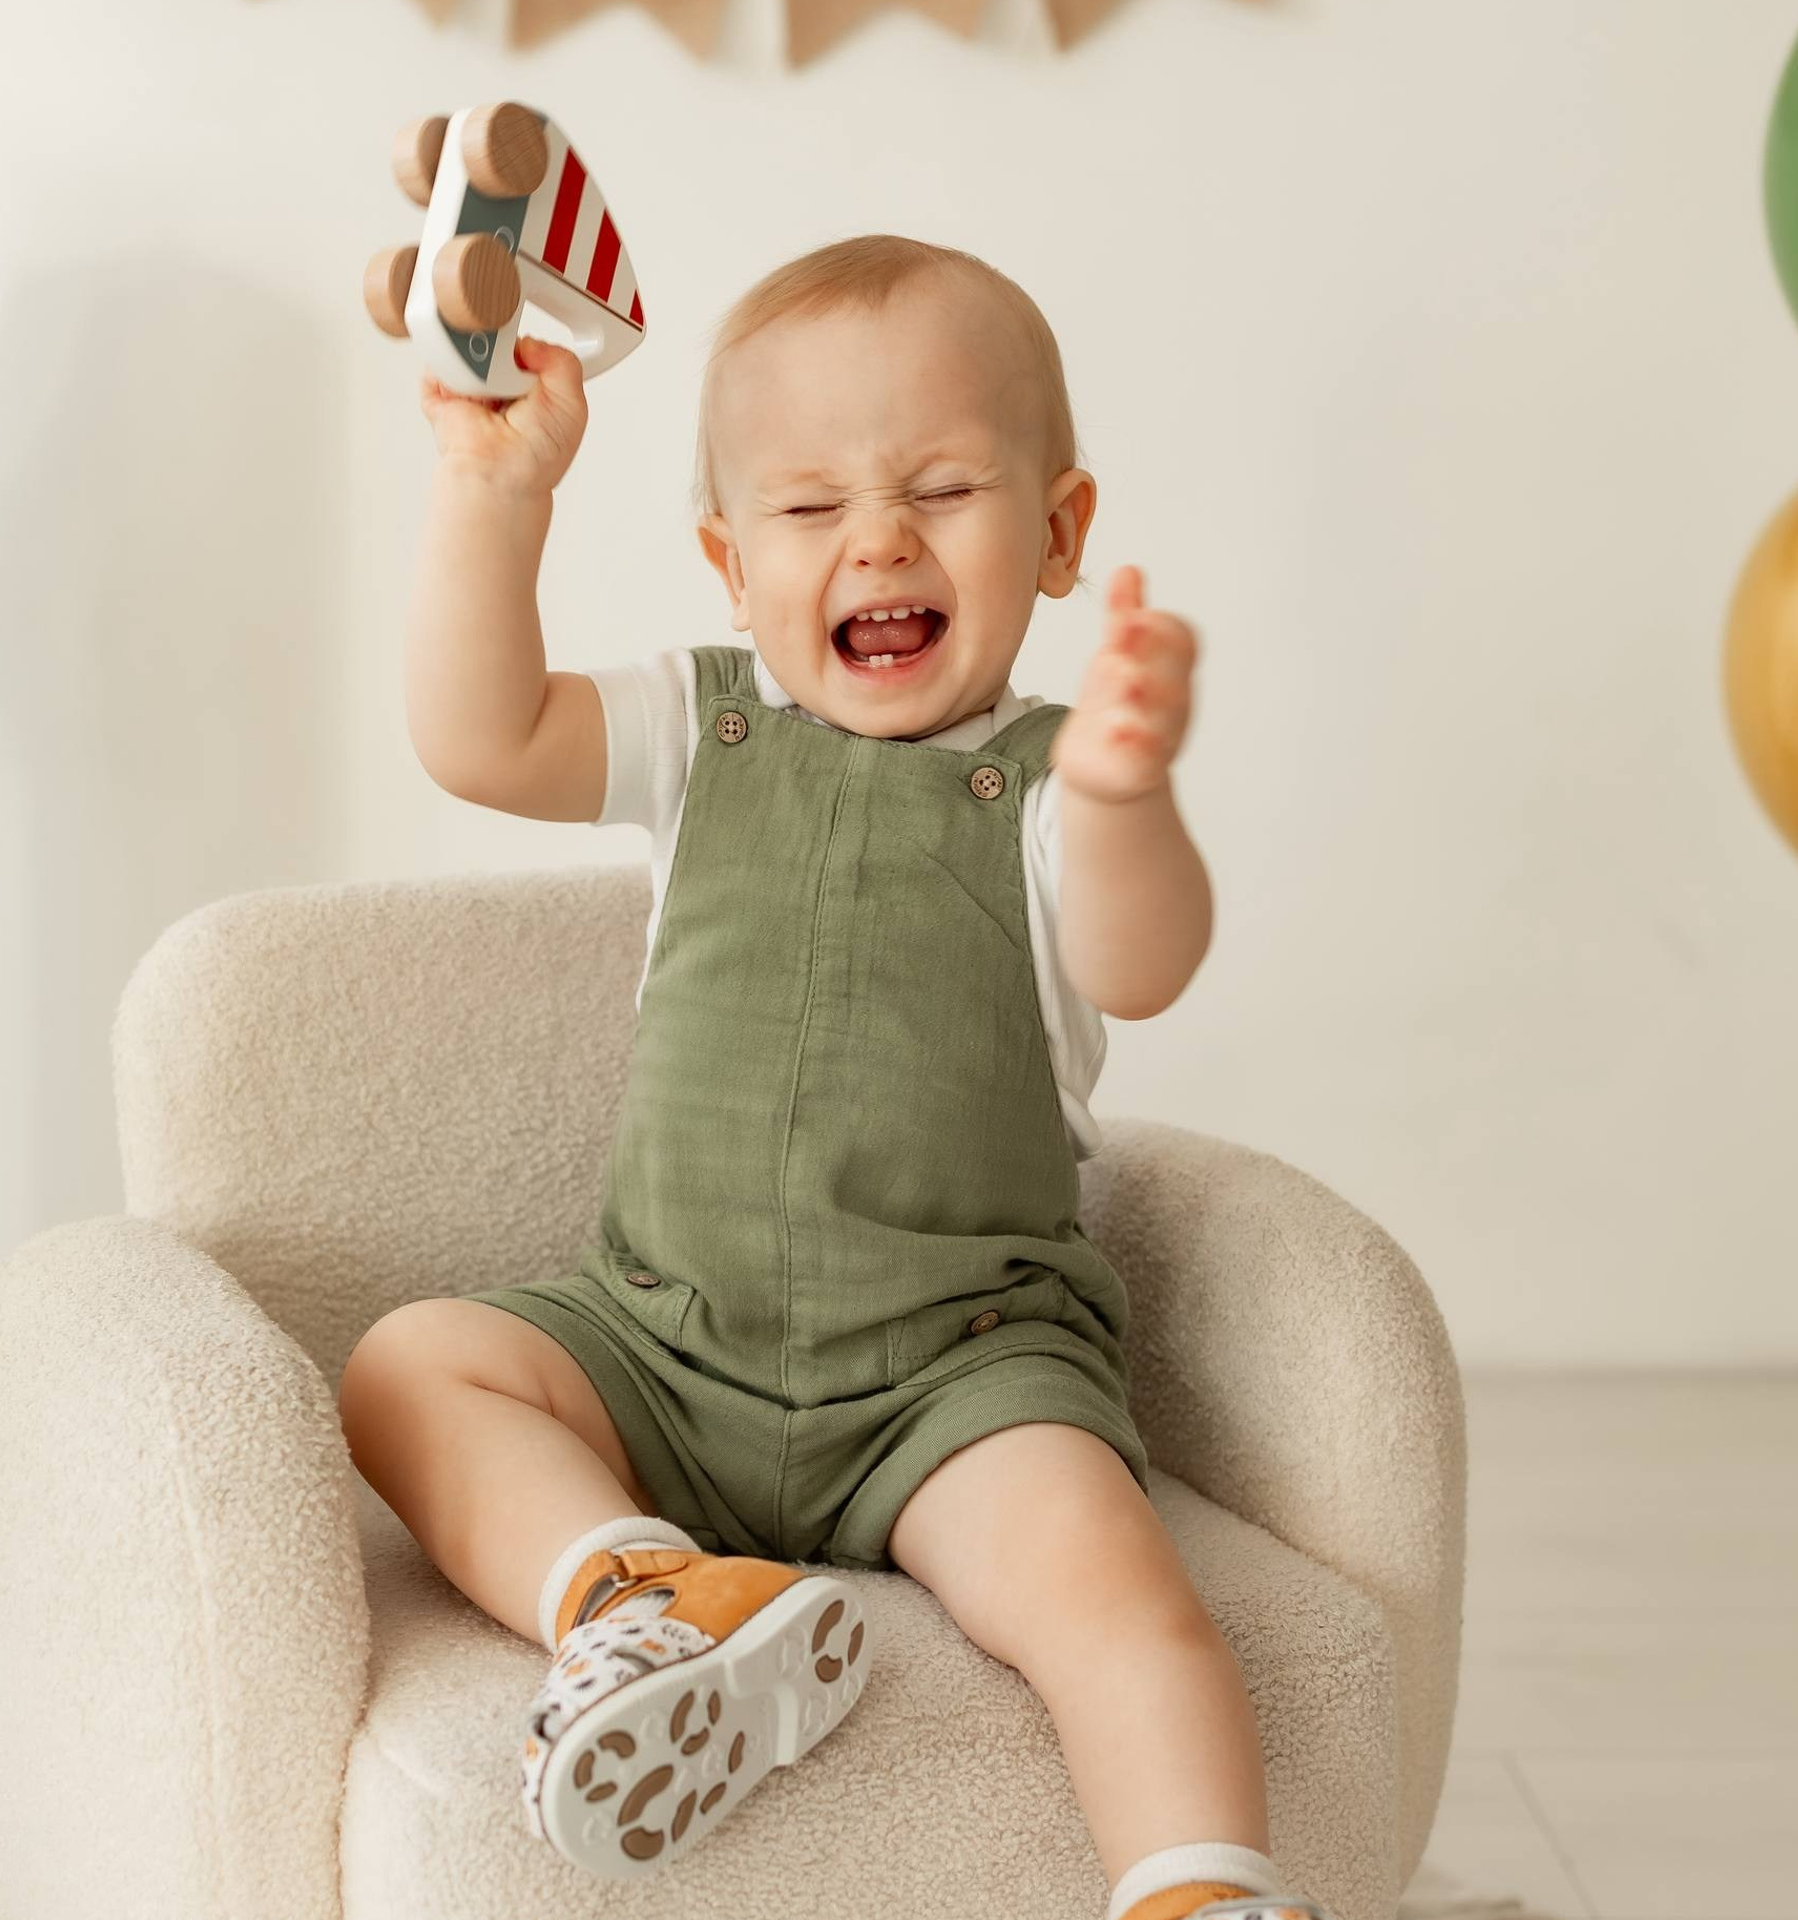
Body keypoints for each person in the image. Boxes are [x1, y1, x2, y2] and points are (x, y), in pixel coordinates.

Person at [338, 232, 1333, 1920]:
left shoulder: (1044, 787)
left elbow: (1140, 964)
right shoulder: (698, 727)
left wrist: (1124, 792)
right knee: (408, 1367)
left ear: (1061, 534)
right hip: (659, 1343)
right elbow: (474, 733)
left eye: (942, 488)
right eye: (810, 511)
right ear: (732, 564)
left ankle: (1201, 1892)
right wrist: (491, 490)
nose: (876, 536)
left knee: (1119, 1600)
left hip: (956, 1379)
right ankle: (640, 1601)